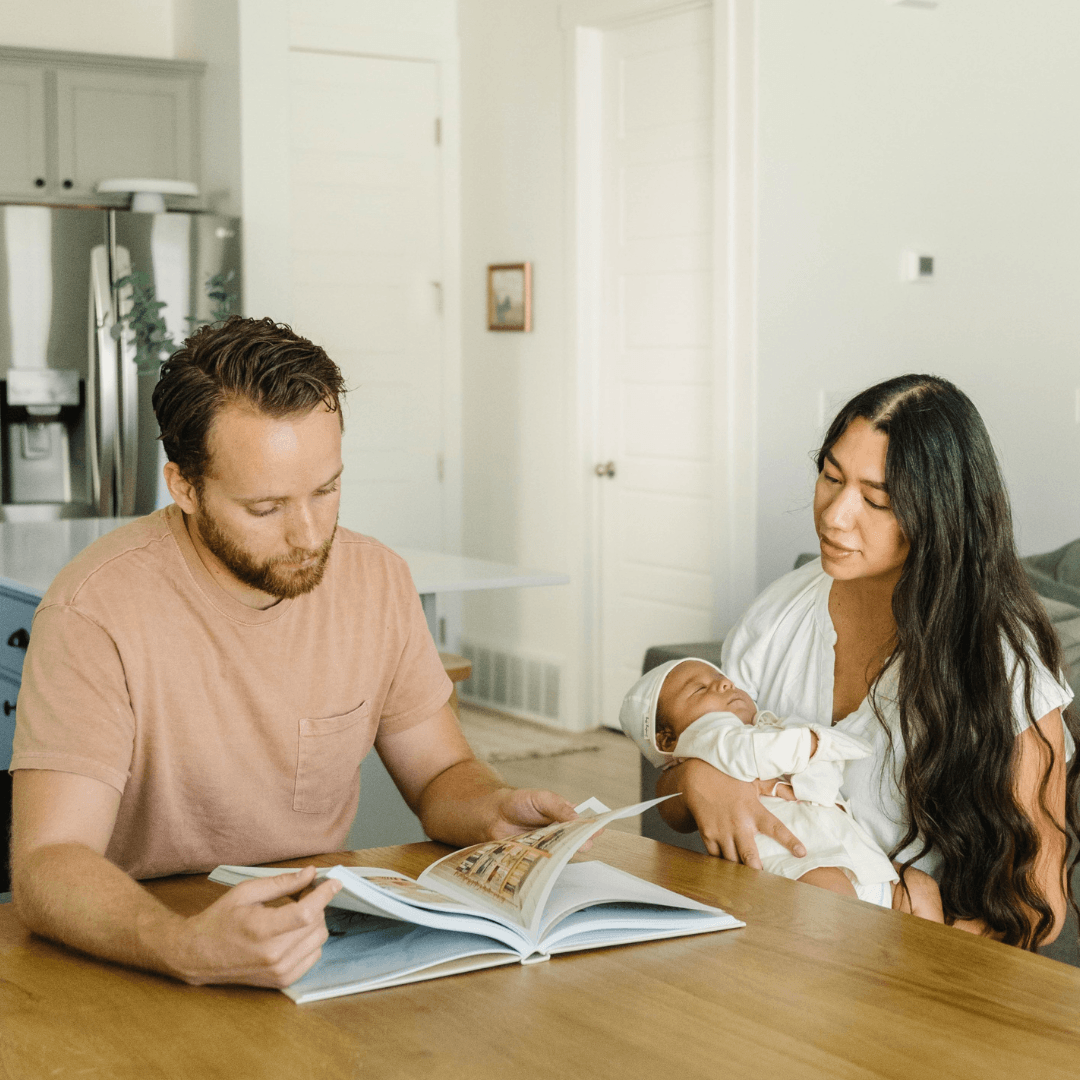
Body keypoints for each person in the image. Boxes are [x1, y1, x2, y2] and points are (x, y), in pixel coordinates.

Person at [9, 316, 579, 988]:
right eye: (266, 507)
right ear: (185, 487)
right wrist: (181, 943)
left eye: (326, 489)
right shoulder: (95, 608)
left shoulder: (378, 580)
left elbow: (439, 773)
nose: (309, 534)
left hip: (327, 945)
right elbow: (49, 857)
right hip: (145, 949)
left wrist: (490, 805)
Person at [658, 374, 1080, 948]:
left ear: (940, 518)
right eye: (830, 477)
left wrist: (906, 931)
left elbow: (1042, 910)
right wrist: (699, 776)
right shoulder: (778, 615)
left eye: (876, 499)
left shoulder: (1005, 669)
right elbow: (688, 782)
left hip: (924, 977)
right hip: (774, 947)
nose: (834, 515)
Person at [622, 657, 943, 920]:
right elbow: (755, 751)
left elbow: (823, 779)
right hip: (801, 866)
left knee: (920, 885)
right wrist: (816, 742)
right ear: (668, 739)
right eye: (701, 689)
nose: (724, 684)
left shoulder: (769, 725)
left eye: (723, 678)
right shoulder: (707, 738)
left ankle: (925, 975)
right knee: (836, 911)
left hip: (860, 861)